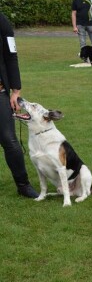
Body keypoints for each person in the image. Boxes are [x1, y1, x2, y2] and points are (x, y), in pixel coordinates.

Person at [0, 12, 39, 199]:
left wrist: (15, 90)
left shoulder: (2, 21)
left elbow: (11, 56)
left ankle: (23, 184)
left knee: (9, 139)